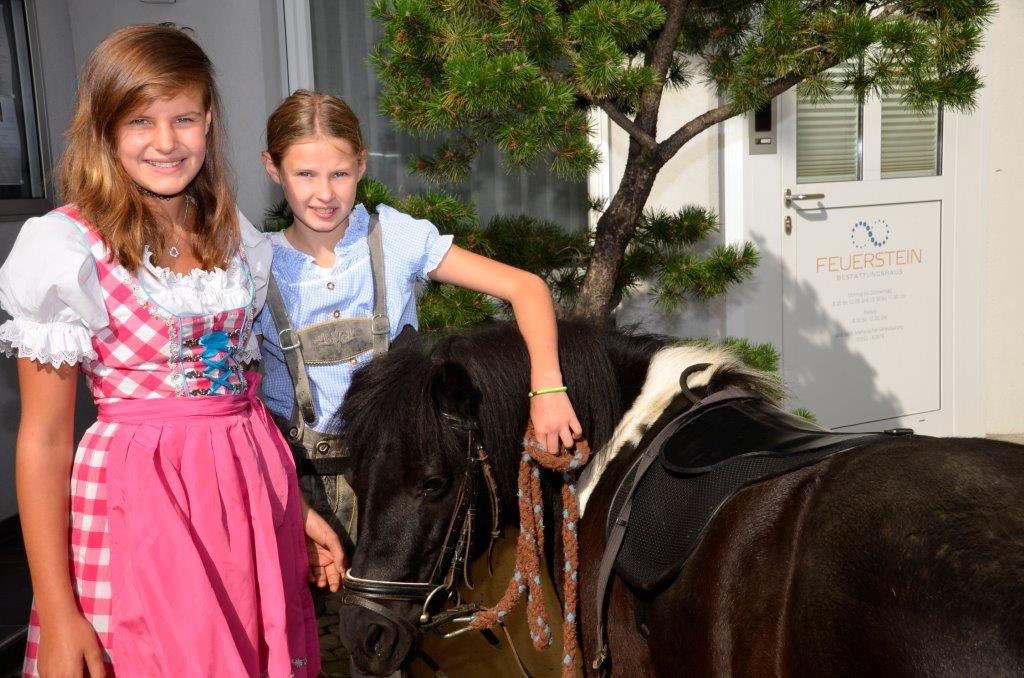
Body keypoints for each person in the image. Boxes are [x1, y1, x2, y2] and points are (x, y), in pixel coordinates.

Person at [0, 25, 343, 677]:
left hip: (246, 502)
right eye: (140, 121)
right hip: (142, 509)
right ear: (105, 130)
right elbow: (43, 439)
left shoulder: (233, 235)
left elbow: (239, 397)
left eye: (183, 118)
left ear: (208, 121)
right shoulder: (65, 247)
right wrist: (58, 608)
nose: (165, 142)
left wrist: (294, 508)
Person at [257, 90, 583, 550]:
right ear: (273, 168)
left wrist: (548, 389)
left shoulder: (396, 238)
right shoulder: (255, 264)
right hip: (295, 489)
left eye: (340, 174)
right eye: (305, 174)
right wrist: (293, 506)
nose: (325, 194)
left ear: (362, 165)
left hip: (400, 487)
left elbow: (526, 288)